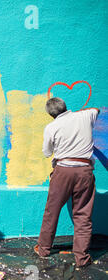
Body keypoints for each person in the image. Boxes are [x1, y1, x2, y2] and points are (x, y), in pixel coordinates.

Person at [35, 97, 100, 268]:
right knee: (83, 215)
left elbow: (47, 153)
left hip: (63, 171)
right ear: (65, 107)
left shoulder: (51, 127)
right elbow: (96, 109)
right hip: (85, 170)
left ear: (51, 114)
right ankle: (82, 258)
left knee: (52, 211)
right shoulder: (85, 116)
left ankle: (43, 249)